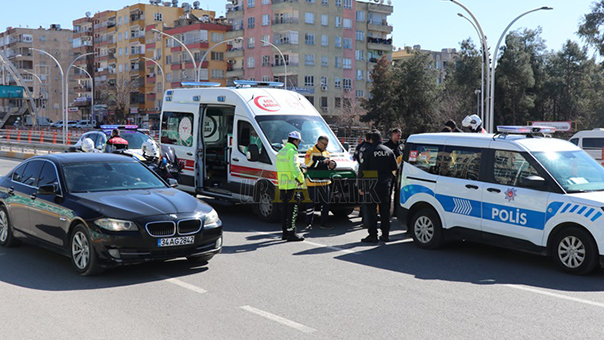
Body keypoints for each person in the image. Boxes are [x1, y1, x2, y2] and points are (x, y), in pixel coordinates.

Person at [359, 131, 398, 243]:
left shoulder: (368, 151)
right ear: (381, 139)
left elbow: (362, 170)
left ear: (371, 140)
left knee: (371, 210)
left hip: (371, 184)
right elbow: (394, 167)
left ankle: (373, 235)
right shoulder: (389, 151)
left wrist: (361, 186)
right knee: (384, 210)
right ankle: (385, 234)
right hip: (385, 184)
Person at [276, 131, 305, 242]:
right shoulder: (292, 152)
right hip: (292, 185)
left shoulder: (281, 151)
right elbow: (294, 168)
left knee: (284, 210)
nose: (299, 144)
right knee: (293, 211)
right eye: (298, 141)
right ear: (295, 141)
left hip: (283, 185)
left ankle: (285, 232)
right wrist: (301, 179)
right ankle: (291, 233)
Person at [304, 136, 336, 230]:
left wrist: (332, 164)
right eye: (324, 144)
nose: (325, 146)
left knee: (326, 204)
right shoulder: (310, 151)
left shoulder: (326, 153)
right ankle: (308, 223)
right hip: (313, 181)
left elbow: (329, 166)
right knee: (310, 204)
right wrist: (322, 162)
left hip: (325, 182)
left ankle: (324, 223)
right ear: (318, 142)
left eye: (327, 144)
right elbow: (308, 164)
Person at [384, 128, 404, 217]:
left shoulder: (401, 146)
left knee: (398, 192)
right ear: (393, 134)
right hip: (389, 172)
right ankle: (386, 211)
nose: (399, 137)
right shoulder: (386, 146)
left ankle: (396, 212)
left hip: (399, 173)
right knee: (388, 192)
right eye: (398, 135)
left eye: (400, 135)